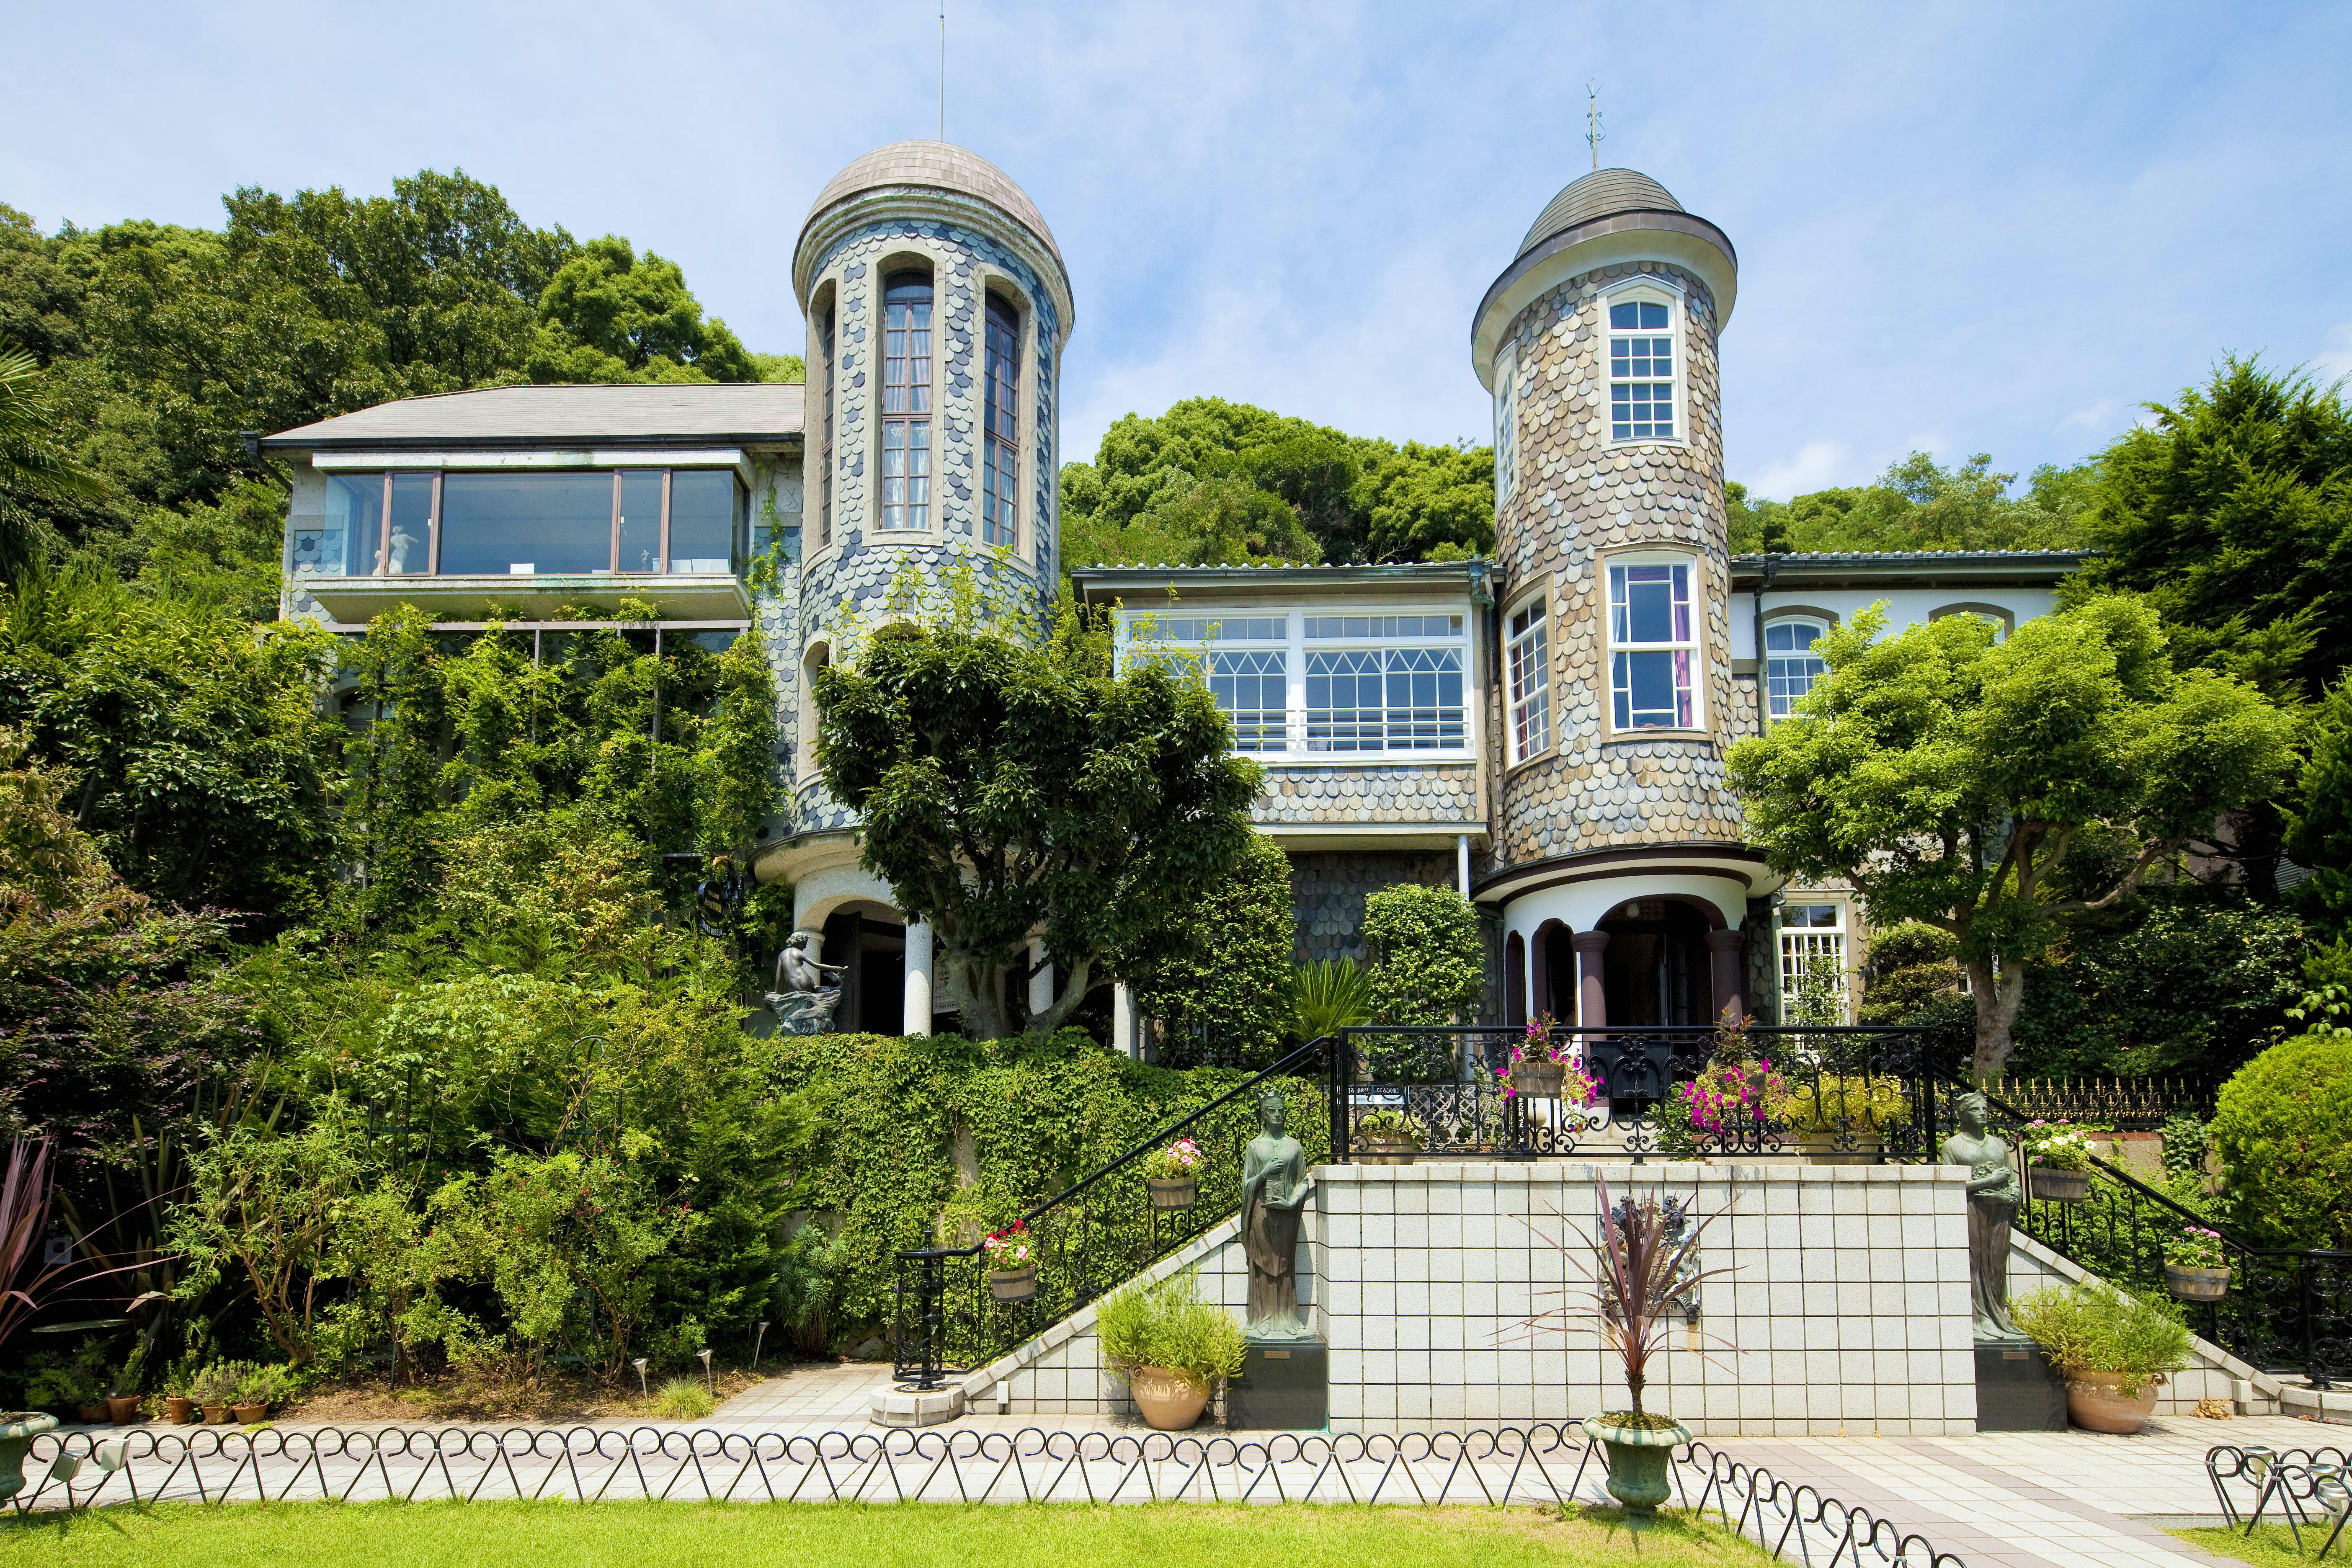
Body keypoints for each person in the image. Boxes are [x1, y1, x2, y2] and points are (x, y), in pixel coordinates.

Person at [1941, 1090, 2028, 1340]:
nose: (1983, 1113)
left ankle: (1999, 1317)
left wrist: (2007, 1197)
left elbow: (2014, 1183)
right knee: (1975, 1262)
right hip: (1972, 1211)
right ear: (1963, 1115)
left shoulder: (1999, 1145)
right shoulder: (1952, 1146)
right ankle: (1980, 1319)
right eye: (1976, 1109)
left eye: (1985, 1109)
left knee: (1997, 1264)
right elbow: (1952, 1186)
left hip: (1999, 1213)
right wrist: (1989, 1181)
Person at [1240, 1087, 1313, 1339]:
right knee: (1262, 1264)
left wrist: (1292, 1202)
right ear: (1263, 1114)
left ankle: (1288, 1318)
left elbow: (1303, 1181)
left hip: (1287, 1215)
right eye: (1271, 1111)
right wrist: (1264, 1173)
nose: (1277, 1115)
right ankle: (1263, 1318)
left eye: (1281, 1110)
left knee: (1284, 1264)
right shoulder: (1254, 1147)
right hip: (1261, 1214)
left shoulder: (1294, 1147)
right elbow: (1247, 1184)